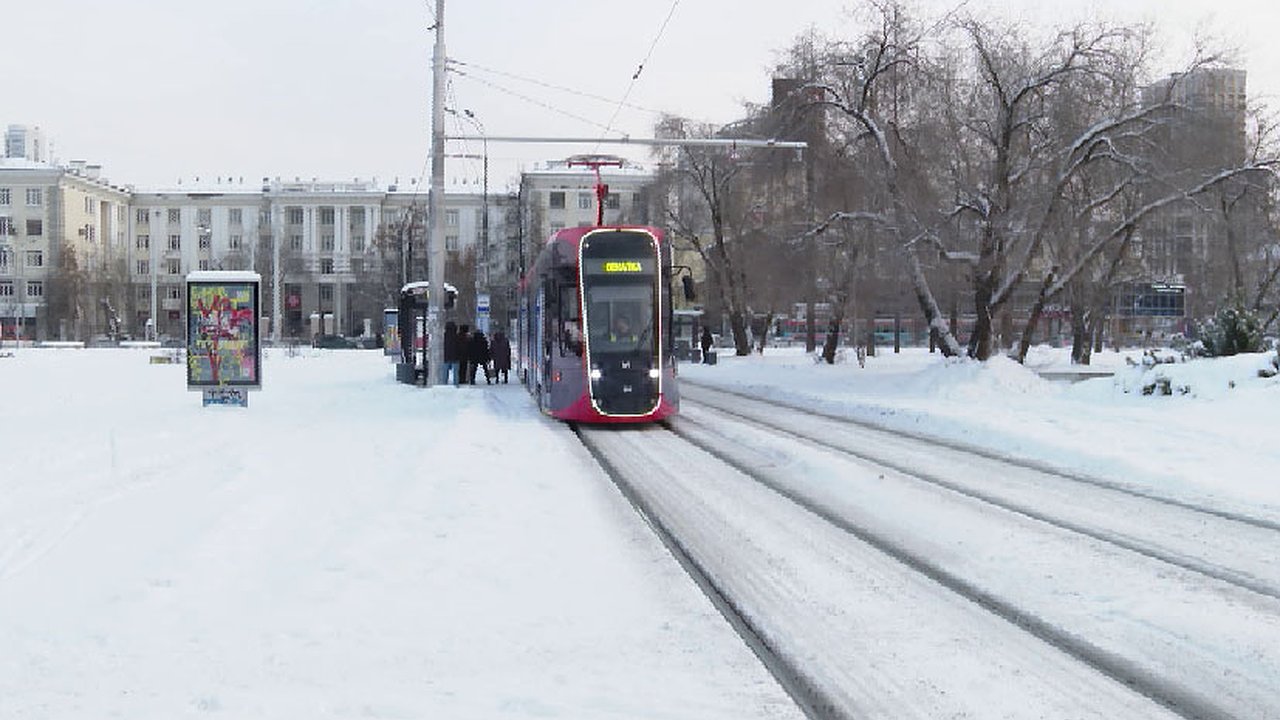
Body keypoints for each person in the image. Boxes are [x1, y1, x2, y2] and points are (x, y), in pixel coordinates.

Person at [442, 321, 461, 386]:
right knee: (455, 373)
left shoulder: (443, 336)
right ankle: (456, 385)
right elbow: (459, 347)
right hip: (455, 356)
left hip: (446, 356)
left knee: (445, 372)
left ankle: (444, 384)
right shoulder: (457, 336)